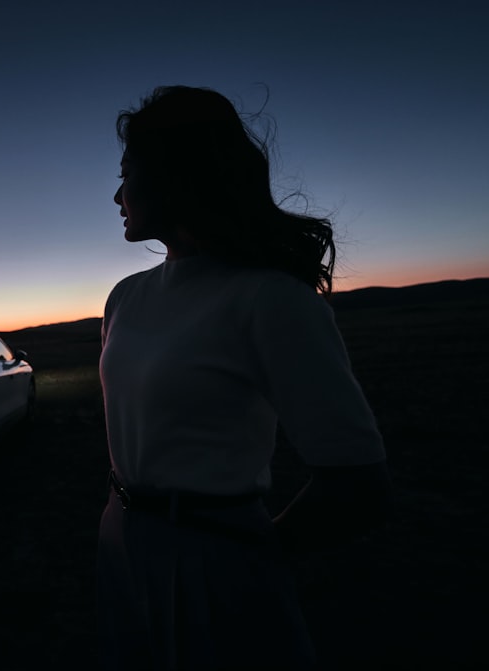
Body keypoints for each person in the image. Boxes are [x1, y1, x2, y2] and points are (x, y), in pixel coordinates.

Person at [96, 85, 392, 670]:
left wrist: (253, 551)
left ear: (177, 174)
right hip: (119, 535)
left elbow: (357, 482)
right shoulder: (125, 298)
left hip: (214, 550)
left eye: (127, 172)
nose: (116, 194)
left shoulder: (272, 301)